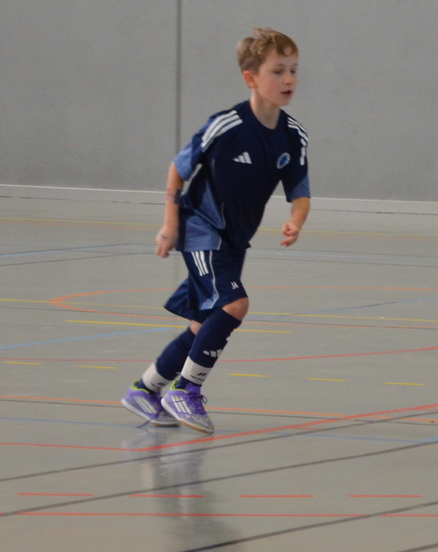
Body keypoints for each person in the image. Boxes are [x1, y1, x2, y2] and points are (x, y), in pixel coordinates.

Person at [121, 28, 310, 433]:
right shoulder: (226, 126)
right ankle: (186, 391)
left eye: (294, 70)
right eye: (278, 71)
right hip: (202, 230)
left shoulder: (293, 137)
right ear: (251, 78)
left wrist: (296, 220)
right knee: (234, 305)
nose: (289, 79)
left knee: (202, 325)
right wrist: (170, 225)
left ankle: (146, 389)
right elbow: (178, 170)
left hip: (235, 242)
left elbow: (300, 193)